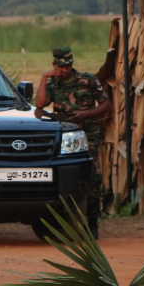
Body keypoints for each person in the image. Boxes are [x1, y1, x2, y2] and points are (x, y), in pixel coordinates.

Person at [34, 46, 111, 239]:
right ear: (54, 65)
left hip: (88, 135)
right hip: (64, 137)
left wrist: (85, 115)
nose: (64, 70)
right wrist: (45, 77)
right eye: (60, 66)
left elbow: (106, 104)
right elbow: (40, 105)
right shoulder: (53, 83)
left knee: (93, 178)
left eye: (67, 66)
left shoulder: (87, 79)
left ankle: (92, 222)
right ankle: (61, 221)